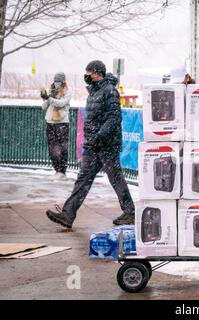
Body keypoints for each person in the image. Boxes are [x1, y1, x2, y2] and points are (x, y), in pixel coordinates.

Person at [46, 60, 135, 228]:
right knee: (83, 180)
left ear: (96, 73)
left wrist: (99, 136)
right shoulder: (94, 92)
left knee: (116, 178)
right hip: (93, 146)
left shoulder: (110, 91)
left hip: (107, 145)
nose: (85, 75)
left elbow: (114, 118)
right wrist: (91, 139)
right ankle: (68, 214)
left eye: (88, 72)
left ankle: (130, 212)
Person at [40, 73, 71, 179]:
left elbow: (61, 104)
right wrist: (45, 98)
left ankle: (62, 171)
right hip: (50, 122)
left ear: (63, 82)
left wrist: (49, 98)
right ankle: (57, 170)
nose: (56, 83)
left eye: (59, 81)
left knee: (62, 147)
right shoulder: (51, 92)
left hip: (61, 122)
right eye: (55, 81)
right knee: (52, 147)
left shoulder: (67, 92)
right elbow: (44, 107)